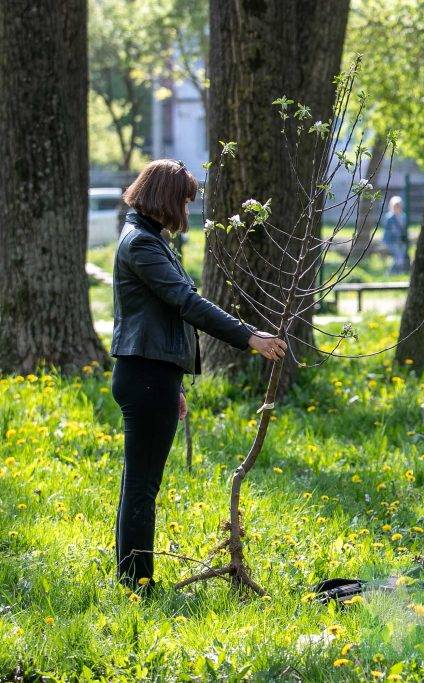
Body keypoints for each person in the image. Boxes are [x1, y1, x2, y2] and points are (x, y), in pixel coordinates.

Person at [110, 159, 287, 589]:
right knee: (142, 487)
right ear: (166, 199)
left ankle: (132, 580)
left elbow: (165, 316)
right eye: (185, 202)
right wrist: (249, 337)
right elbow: (186, 304)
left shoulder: (150, 240)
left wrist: (175, 384)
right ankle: (136, 585)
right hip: (145, 376)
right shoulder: (143, 245)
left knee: (140, 482)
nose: (187, 212)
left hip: (153, 376)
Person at [383, 195, 408, 274]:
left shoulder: (404, 216)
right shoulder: (389, 217)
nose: (397, 207)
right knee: (398, 255)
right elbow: (387, 232)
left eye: (399, 205)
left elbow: (404, 229)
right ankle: (393, 271)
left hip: (401, 241)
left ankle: (396, 271)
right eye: (395, 206)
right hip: (390, 241)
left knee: (402, 253)